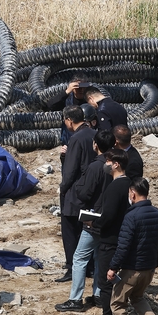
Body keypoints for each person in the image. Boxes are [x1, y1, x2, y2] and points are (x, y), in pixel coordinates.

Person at [55, 130, 114, 312]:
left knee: (79, 258)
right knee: (98, 258)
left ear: (95, 145)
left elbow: (84, 192)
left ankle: (75, 299)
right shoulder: (115, 165)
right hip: (110, 218)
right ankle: (97, 294)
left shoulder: (95, 167)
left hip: (93, 218)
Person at [107, 177, 158, 315]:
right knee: (138, 298)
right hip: (148, 269)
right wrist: (153, 264)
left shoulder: (131, 216)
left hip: (131, 270)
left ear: (132, 193)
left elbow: (123, 246)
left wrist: (113, 267)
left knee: (117, 304)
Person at [85, 150, 131, 315]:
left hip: (110, 241)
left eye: (108, 161)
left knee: (106, 283)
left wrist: (93, 222)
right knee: (122, 283)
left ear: (116, 165)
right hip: (125, 239)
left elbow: (109, 216)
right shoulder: (131, 184)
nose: (106, 164)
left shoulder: (114, 187)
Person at [57, 106, 96, 283]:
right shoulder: (93, 134)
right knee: (86, 230)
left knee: (71, 231)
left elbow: (71, 171)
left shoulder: (76, 139)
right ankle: (89, 267)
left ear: (68, 120)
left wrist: (63, 188)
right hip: (92, 189)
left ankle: (72, 268)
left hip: (75, 192)